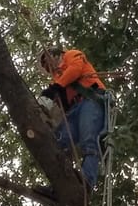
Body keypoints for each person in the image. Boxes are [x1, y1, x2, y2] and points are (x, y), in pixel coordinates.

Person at [37, 47, 107, 194]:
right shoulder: (57, 79)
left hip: (90, 100)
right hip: (73, 111)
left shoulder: (71, 55)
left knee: (89, 140)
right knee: (57, 143)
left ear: (55, 54)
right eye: (44, 65)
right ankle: (58, 187)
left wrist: (55, 88)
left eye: (46, 59)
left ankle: (87, 180)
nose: (46, 65)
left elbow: (76, 69)